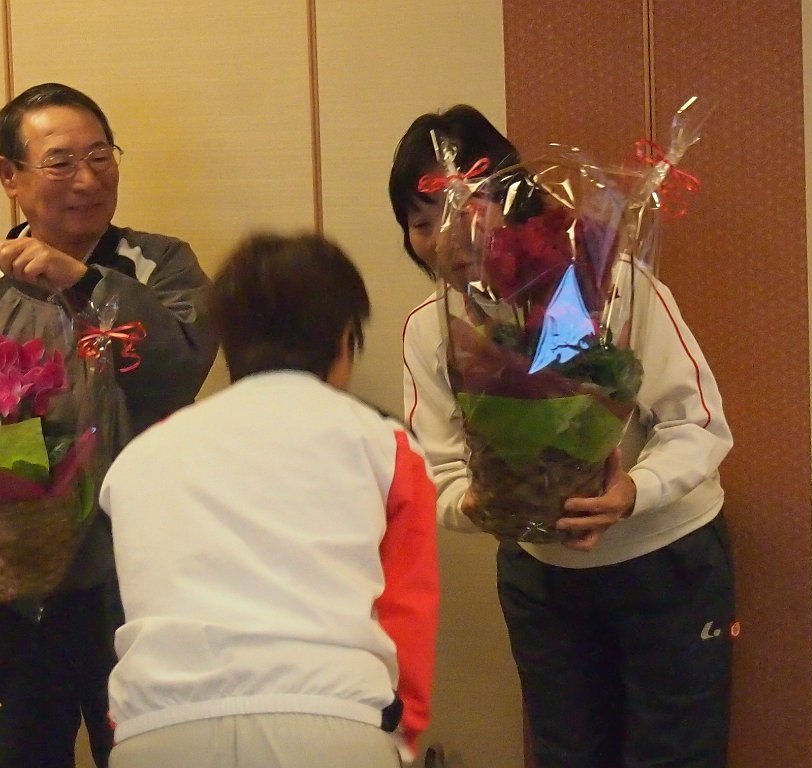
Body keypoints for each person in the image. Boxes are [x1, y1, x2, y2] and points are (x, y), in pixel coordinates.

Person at [391, 105, 736, 768]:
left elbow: (698, 423)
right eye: (421, 221)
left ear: (512, 201)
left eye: (462, 209)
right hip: (541, 579)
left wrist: (633, 491)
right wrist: (484, 503)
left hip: (666, 562)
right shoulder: (429, 331)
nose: (443, 238)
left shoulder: (613, 287)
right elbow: (439, 471)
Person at [99, 232, 439, 768]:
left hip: (157, 728)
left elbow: (132, 606)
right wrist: (400, 740)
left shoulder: (140, 458)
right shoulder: (385, 446)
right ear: (345, 338)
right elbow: (408, 610)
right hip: (331, 720)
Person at [0, 83, 218, 768]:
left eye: (101, 156)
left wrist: (87, 281)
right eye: (61, 162)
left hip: (143, 574)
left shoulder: (161, 264)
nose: (88, 180)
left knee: (146, 751)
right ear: (10, 177)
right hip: (18, 582)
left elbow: (178, 368)